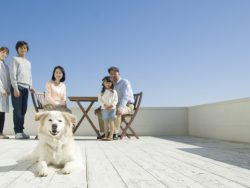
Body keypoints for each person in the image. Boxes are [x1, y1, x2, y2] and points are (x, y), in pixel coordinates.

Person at [96, 66, 134, 140]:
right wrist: (101, 107)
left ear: (119, 73)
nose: (112, 75)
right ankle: (105, 133)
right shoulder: (111, 84)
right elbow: (106, 98)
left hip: (128, 105)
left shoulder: (124, 82)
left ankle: (115, 133)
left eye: (114, 73)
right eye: (111, 74)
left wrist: (120, 107)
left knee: (116, 111)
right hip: (113, 105)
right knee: (101, 112)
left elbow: (125, 97)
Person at [10, 41, 35, 139]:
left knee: (23, 110)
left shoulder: (28, 62)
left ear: (27, 49)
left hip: (25, 88)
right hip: (17, 87)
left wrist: (30, 86)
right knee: (17, 110)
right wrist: (15, 88)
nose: (23, 49)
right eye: (21, 48)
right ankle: (17, 132)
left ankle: (21, 130)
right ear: (17, 49)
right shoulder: (15, 59)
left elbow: (30, 75)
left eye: (25, 48)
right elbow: (13, 74)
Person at [98, 76, 118, 141]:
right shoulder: (101, 92)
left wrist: (111, 105)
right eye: (106, 82)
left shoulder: (114, 92)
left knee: (111, 122)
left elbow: (116, 100)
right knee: (105, 122)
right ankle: (106, 136)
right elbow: (100, 100)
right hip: (104, 109)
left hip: (112, 109)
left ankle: (111, 136)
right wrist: (104, 105)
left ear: (112, 83)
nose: (107, 84)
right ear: (103, 83)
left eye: (109, 82)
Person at [0, 47, 11, 139]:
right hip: (1, 91)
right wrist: (2, 90)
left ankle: (1, 132)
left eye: (6, 53)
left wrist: (8, 90)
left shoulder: (6, 66)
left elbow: (8, 80)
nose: (4, 54)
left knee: (2, 113)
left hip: (5, 93)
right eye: (3, 52)